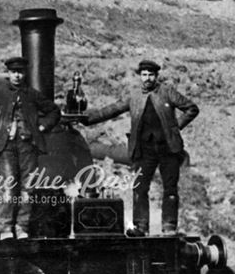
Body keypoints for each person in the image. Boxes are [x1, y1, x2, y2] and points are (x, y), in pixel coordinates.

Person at [85, 60, 199, 236]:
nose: (147, 79)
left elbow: (192, 108)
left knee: (170, 188)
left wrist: (176, 128)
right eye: (144, 75)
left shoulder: (167, 92)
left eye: (151, 75)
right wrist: (87, 119)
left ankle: (169, 227)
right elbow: (112, 110)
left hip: (168, 149)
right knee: (140, 188)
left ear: (156, 76)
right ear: (140, 76)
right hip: (144, 150)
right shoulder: (134, 96)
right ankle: (140, 227)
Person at [0, 56, 61, 240]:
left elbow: (54, 111)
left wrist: (41, 127)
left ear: (25, 74)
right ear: (8, 73)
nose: (16, 76)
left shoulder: (32, 94)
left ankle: (22, 227)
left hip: (28, 146)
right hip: (6, 146)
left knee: (28, 188)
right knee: (8, 187)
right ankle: (5, 229)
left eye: (20, 72)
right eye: (13, 72)